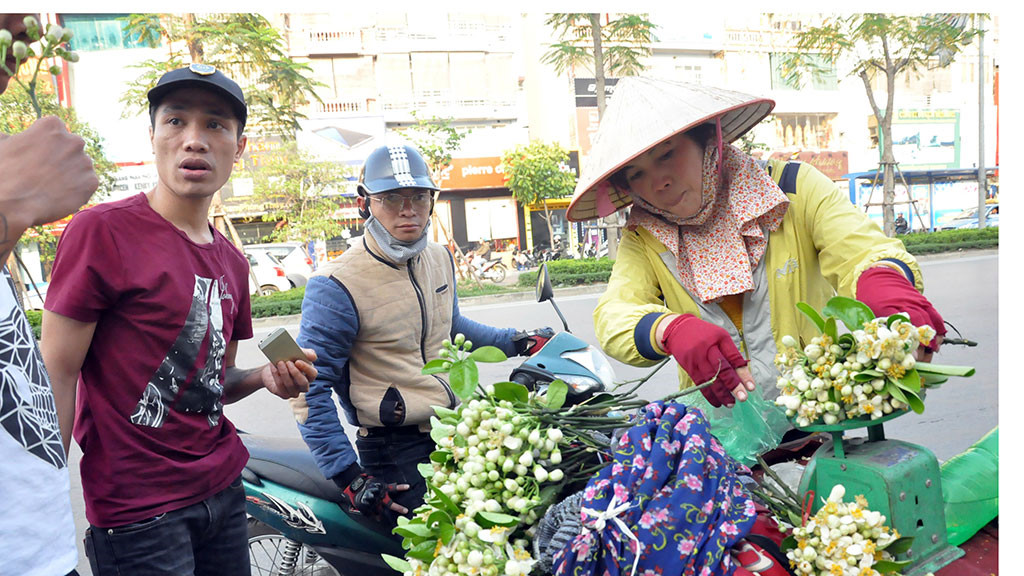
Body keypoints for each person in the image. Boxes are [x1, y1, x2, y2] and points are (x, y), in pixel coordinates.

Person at [40, 64, 318, 576]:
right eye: (175, 122)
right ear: (153, 136)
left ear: (239, 147)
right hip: (139, 512)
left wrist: (263, 378)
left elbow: (212, 383)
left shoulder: (233, 263)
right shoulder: (101, 232)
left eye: (215, 125)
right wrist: (42, 498)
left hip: (225, 490)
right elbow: (55, 373)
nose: (194, 140)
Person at [566, 77, 944, 442]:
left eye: (667, 155)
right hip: (719, 439)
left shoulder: (793, 189)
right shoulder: (643, 235)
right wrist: (668, 330)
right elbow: (615, 313)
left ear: (707, 141)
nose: (658, 181)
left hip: (817, 418)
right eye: (637, 174)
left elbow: (860, 249)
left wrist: (884, 280)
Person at [292, 142, 551, 525]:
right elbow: (308, 388)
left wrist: (518, 341)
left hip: (454, 428)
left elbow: (451, 326)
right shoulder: (336, 284)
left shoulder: (438, 257)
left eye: (418, 196)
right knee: (443, 554)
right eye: (391, 197)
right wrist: (349, 477)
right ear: (366, 203)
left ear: (433, 200)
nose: (407, 208)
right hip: (393, 449)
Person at [0, 13, 99, 576]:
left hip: (41, 546)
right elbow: (61, 367)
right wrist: (11, 204)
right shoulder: (100, 233)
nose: (26, 24)